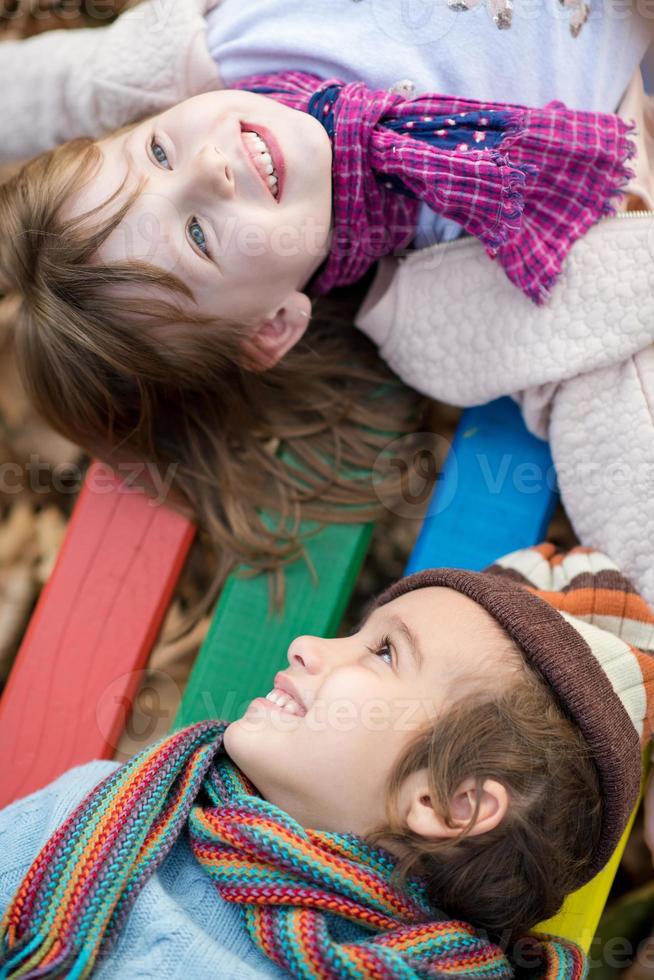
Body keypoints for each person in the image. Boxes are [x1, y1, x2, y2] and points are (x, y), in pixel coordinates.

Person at [0, 0, 650, 636]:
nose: (209, 164)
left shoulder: (228, 45)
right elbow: (622, 441)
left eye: (158, 153)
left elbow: (50, 89)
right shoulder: (463, 285)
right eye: (198, 234)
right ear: (273, 325)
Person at [2, 540, 653, 978]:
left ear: (447, 802)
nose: (307, 644)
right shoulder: (104, 819)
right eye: (355, 634)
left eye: (383, 653)